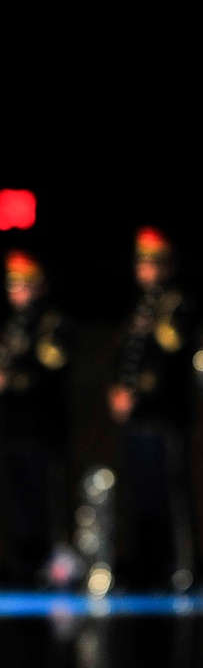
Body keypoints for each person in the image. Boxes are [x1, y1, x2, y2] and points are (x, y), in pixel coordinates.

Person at [107, 227, 195, 590]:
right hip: (138, 421)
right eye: (142, 262)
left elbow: (168, 362)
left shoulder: (176, 305)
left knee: (170, 496)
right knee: (140, 496)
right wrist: (116, 390)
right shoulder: (137, 308)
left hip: (164, 416)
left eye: (154, 263)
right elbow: (123, 357)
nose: (147, 270)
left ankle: (179, 567)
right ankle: (144, 566)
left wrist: (136, 393)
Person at [0, 249, 76, 585]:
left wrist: (11, 381)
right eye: (12, 284)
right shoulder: (11, 325)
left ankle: (48, 564)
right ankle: (21, 563)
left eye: (24, 284)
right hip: (12, 426)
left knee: (43, 498)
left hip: (41, 427)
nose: (17, 291)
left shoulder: (52, 323)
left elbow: (49, 371)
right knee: (15, 500)